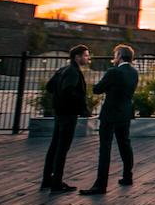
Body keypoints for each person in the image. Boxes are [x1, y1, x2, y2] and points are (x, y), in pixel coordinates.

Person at [81, 45, 139, 196]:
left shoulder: (113, 72)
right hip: (125, 114)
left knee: (105, 148)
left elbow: (97, 89)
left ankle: (100, 184)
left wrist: (107, 88)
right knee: (125, 145)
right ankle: (127, 176)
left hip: (111, 114)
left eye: (115, 54)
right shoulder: (134, 72)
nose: (114, 57)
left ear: (119, 56)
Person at [41, 45, 90, 193]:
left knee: (54, 146)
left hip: (59, 113)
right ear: (77, 57)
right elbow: (68, 90)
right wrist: (79, 103)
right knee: (63, 148)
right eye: (86, 55)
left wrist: (58, 98)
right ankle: (57, 182)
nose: (88, 58)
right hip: (68, 114)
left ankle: (47, 180)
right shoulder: (73, 72)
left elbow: (50, 87)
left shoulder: (62, 70)